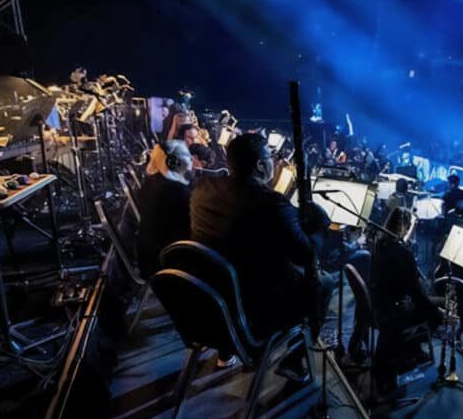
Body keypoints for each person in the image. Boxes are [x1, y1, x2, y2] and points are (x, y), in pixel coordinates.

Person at [190, 133, 331, 337]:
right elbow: (306, 256)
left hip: (209, 294)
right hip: (253, 305)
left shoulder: (203, 188)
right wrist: (321, 225)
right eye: (270, 159)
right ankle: (295, 355)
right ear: (260, 166)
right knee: (323, 282)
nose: (273, 163)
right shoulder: (272, 203)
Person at [370, 207, 442, 394]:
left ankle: (412, 350)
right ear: (405, 227)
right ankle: (409, 351)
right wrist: (437, 306)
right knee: (434, 315)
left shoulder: (379, 244)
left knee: (426, 308)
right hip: (393, 313)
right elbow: (416, 295)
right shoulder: (403, 254)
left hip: (378, 305)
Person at [136, 140, 192, 279]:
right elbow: (189, 226)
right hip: (165, 264)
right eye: (187, 155)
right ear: (173, 162)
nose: (191, 158)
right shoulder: (175, 190)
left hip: (150, 259)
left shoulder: (152, 182)